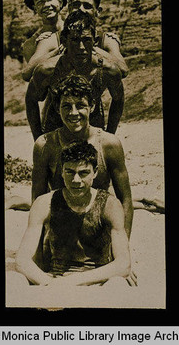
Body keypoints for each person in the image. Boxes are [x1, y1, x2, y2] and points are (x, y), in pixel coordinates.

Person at [12, 140, 133, 288]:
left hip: (96, 282)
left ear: (95, 172)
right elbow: (22, 260)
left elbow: (123, 264)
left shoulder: (109, 204)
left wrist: (70, 282)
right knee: (12, 279)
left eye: (83, 173)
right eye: (70, 172)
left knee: (118, 284)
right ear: (62, 172)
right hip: (53, 279)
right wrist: (50, 283)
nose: (76, 180)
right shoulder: (45, 203)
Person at [30, 74, 133, 239]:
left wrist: (123, 244)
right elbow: (37, 200)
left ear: (91, 107)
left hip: (98, 230)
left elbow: (126, 200)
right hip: (60, 233)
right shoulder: (45, 145)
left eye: (80, 106)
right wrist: (39, 248)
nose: (73, 113)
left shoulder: (108, 144)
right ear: (57, 108)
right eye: (66, 106)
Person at [25, 10, 124, 142]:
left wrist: (110, 135)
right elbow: (31, 99)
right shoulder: (47, 70)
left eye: (86, 40)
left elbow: (118, 99)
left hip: (92, 130)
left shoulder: (107, 70)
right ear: (64, 40)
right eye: (75, 40)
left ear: (95, 41)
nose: (81, 47)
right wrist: (38, 139)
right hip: (55, 131)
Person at [22, 0, 128, 81]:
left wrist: (92, 48)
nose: (81, 9)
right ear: (69, 7)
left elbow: (123, 70)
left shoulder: (106, 39)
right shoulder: (45, 41)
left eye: (87, 6)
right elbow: (30, 76)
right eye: (76, 5)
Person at [22, 0, 68, 64]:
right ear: (35, 8)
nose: (46, 5)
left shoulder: (75, 30)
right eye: (40, 2)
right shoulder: (30, 45)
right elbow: (32, 74)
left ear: (60, 2)